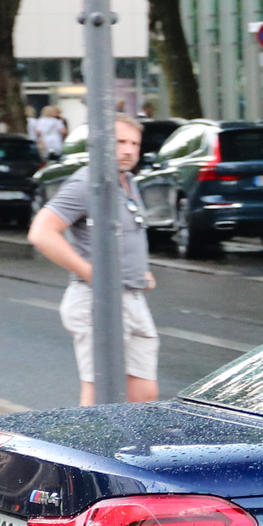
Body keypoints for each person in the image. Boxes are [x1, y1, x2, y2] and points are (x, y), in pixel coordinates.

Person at [27, 116, 158, 405]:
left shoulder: (128, 181)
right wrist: (90, 272)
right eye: (120, 142)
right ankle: (88, 448)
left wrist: (142, 271)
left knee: (144, 394)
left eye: (134, 143)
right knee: (100, 393)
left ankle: (128, 448)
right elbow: (42, 232)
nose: (128, 150)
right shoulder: (87, 182)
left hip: (132, 297)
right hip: (98, 300)